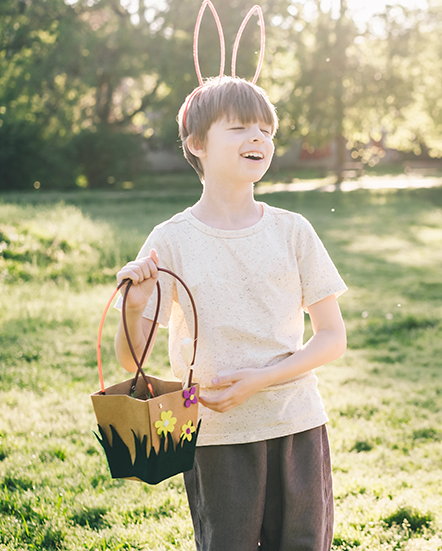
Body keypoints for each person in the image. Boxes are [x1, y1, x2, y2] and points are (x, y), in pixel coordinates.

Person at [113, 76, 347, 551]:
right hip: (214, 436)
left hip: (296, 424)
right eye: (240, 127)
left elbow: (331, 338)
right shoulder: (171, 240)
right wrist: (133, 308)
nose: (258, 138)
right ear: (196, 144)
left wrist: (261, 379)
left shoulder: (293, 231)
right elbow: (129, 360)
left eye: (266, 129)